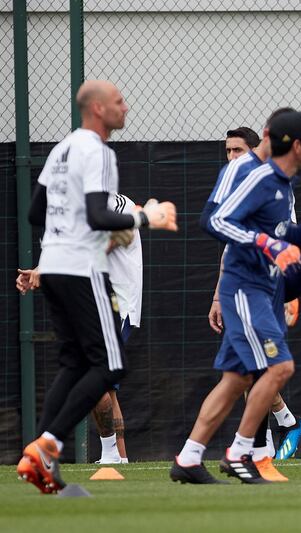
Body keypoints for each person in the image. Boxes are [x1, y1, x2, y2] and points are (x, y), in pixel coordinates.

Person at [16, 80, 177, 494]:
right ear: (99, 110)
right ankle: (48, 445)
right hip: (80, 270)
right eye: (120, 101)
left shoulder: (63, 148)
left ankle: (38, 456)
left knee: (75, 364)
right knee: (110, 366)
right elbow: (97, 215)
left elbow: (36, 211)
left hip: (53, 267)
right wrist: (147, 218)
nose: (127, 107)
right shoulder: (99, 151)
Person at [206, 109, 301, 483]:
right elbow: (218, 224)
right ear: (295, 144)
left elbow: (283, 231)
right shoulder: (248, 175)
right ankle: (252, 450)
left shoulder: (277, 181)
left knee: (245, 376)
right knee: (269, 369)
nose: (233, 156)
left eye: (238, 148)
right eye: (228, 150)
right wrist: (222, 294)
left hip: (267, 284)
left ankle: (199, 455)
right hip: (246, 286)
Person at [15, 193, 144, 465]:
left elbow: (121, 231)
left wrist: (145, 216)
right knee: (105, 382)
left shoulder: (115, 202)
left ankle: (69, 448)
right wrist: (40, 269)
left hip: (116, 300)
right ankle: (118, 458)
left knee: (93, 371)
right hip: (92, 299)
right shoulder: (77, 208)